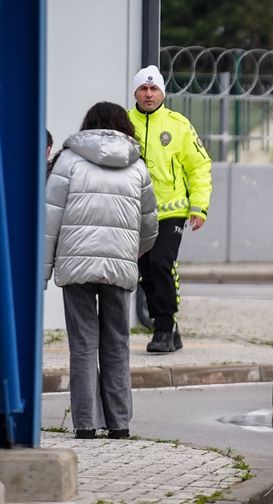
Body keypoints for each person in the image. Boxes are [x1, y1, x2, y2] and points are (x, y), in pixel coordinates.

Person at [44, 102, 158, 439]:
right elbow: (150, 225)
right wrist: (134, 251)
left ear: (88, 125)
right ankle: (119, 424)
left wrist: (44, 269)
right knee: (117, 343)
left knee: (82, 345)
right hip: (120, 267)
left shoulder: (67, 160)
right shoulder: (137, 165)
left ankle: (85, 424)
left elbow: (51, 216)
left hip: (76, 264)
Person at [128, 65, 213, 353]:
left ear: (162, 92)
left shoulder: (179, 124)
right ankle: (166, 324)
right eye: (143, 89)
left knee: (161, 263)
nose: (149, 94)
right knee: (144, 271)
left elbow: (199, 166)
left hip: (171, 211)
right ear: (136, 93)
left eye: (154, 89)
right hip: (136, 213)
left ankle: (164, 326)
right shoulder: (124, 124)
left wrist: (199, 206)